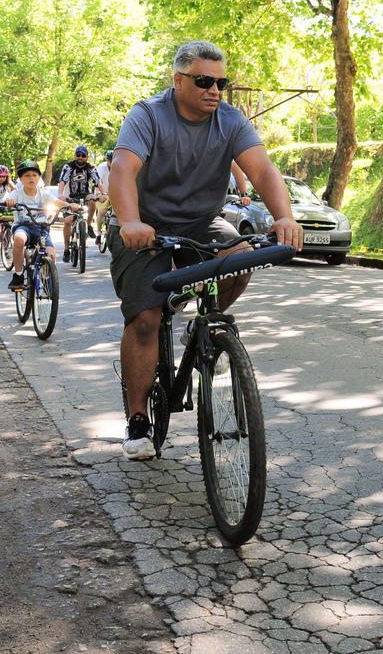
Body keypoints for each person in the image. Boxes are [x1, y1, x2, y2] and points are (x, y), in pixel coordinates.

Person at [109, 40, 303, 459]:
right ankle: (138, 420)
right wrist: (129, 221)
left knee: (240, 258)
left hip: (201, 222)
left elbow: (263, 169)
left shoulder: (231, 120)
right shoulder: (148, 115)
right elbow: (123, 169)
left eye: (221, 82)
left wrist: (283, 217)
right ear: (178, 81)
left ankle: (203, 324)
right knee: (144, 318)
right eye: (203, 81)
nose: (215, 90)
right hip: (145, 225)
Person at [5, 160, 77, 291]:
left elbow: (56, 202)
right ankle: (18, 275)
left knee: (51, 254)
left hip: (41, 228)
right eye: (27, 175)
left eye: (34, 175)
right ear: (20, 179)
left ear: (39, 178)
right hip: (23, 226)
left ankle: (46, 278)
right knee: (19, 239)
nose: (31, 178)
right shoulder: (17, 193)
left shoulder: (43, 193)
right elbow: (9, 199)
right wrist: (9, 202)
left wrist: (70, 206)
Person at [58, 146, 104, 261]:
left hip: (85, 194)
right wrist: (60, 195)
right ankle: (66, 249)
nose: (80, 157)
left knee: (93, 199)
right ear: (75, 156)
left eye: (83, 155)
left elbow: (98, 182)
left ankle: (88, 225)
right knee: (68, 221)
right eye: (78, 155)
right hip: (69, 196)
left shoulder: (90, 168)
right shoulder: (68, 166)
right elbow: (62, 181)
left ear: (87, 157)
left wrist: (103, 194)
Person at [94, 149, 114, 247]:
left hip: (114, 193)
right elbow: (98, 182)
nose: (112, 162)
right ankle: (98, 233)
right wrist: (99, 193)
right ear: (107, 160)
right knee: (101, 212)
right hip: (102, 193)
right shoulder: (101, 167)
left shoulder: (119, 166)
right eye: (110, 160)